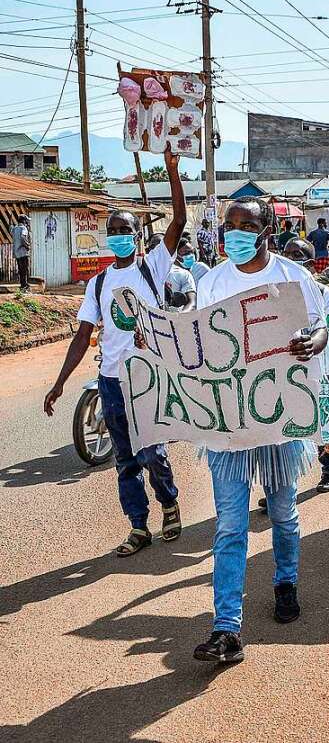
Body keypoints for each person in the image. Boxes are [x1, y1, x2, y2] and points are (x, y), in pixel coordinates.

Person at [192, 196, 328, 664]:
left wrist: (313, 342)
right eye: (230, 226)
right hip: (228, 424)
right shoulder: (210, 282)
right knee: (230, 525)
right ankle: (226, 626)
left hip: (280, 420)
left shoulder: (294, 277)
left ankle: (285, 581)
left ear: (266, 230)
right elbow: (197, 343)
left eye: (245, 226)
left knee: (284, 514)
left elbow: (321, 326)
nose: (236, 235)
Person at [43, 150, 186, 558]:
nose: (119, 234)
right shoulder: (99, 283)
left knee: (152, 452)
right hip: (110, 380)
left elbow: (177, 221)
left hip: (148, 378)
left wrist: (173, 172)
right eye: (113, 229)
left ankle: (169, 502)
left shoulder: (152, 267)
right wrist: (59, 384)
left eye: (125, 229)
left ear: (138, 236)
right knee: (123, 459)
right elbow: (82, 335)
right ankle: (138, 526)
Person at [281, 237, 329, 495]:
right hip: (283, 372)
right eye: (288, 255)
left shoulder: (323, 294)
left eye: (298, 256)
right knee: (284, 428)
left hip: (316, 369)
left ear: (312, 266)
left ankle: (328, 470)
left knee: (320, 423)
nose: (292, 261)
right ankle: (284, 483)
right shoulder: (272, 293)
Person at [12, 214, 30, 291]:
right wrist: (27, 245)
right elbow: (23, 237)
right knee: (25, 269)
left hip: (17, 253)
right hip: (23, 252)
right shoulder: (24, 228)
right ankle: (24, 286)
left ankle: (23, 285)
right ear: (24, 221)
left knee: (21, 269)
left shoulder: (15, 228)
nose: (27, 222)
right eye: (26, 220)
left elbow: (10, 229)